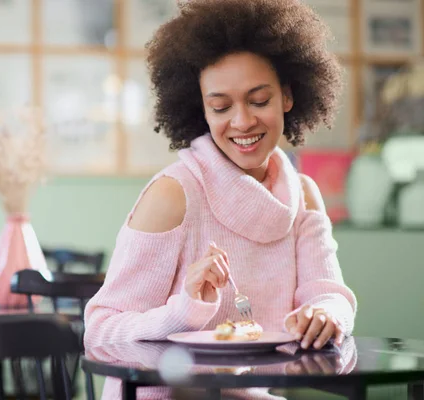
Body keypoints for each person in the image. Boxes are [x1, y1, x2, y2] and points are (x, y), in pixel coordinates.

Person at [84, 0, 357, 398]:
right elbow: (101, 330)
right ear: (202, 111)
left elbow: (329, 293)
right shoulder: (174, 195)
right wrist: (184, 310)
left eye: (259, 100)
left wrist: (326, 314)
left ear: (288, 95)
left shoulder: (305, 197)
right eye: (221, 106)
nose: (243, 121)